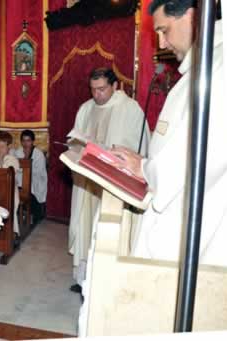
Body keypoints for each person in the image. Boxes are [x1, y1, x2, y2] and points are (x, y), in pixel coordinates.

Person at [112, 0, 227, 266]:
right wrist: (143, 163)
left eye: (164, 31)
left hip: (192, 226)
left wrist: (144, 168)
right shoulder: (202, 67)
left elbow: (207, 151)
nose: (162, 44)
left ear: (191, 16)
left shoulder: (218, 67)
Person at [68, 67, 149, 294]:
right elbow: (75, 140)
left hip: (115, 183)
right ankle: (83, 278)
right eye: (93, 90)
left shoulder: (130, 109)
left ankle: (106, 280)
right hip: (88, 181)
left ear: (115, 86)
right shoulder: (85, 109)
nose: (97, 95)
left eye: (102, 89)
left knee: (108, 228)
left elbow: (141, 148)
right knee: (85, 226)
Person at [0, 132, 21, 235]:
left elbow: (8, 175)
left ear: (9, 147)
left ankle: (12, 232)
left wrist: (2, 160)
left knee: (11, 203)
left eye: (2, 146)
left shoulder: (13, 160)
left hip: (10, 189)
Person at [14, 130, 48, 225]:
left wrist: (26, 160)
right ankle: (20, 210)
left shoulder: (39, 154)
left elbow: (38, 171)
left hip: (37, 179)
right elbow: (16, 168)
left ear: (33, 141)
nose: (26, 143)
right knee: (19, 179)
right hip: (22, 178)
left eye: (28, 140)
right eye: (23, 141)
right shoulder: (17, 152)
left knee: (28, 182)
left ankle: (36, 212)